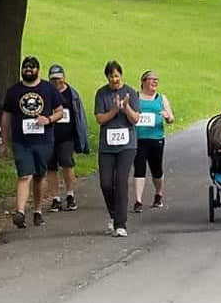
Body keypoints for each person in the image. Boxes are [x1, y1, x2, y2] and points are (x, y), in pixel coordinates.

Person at [1, 56, 65, 228]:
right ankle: (20, 212)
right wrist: (4, 141)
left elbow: (60, 111)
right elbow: (6, 116)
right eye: (25, 68)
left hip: (43, 141)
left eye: (31, 68)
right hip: (21, 141)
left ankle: (37, 210)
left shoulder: (48, 89)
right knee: (24, 175)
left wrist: (49, 119)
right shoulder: (13, 91)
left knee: (38, 177)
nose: (28, 70)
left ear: (38, 69)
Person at [95, 60, 140, 237]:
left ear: (121, 75)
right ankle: (114, 215)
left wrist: (126, 106)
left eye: (116, 75)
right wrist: (114, 109)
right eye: (110, 76)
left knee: (121, 181)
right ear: (106, 77)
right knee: (106, 183)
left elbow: (135, 119)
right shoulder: (101, 93)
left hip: (127, 145)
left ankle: (121, 224)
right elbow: (100, 119)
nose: (114, 79)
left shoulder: (130, 92)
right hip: (107, 146)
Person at [45, 64, 90, 213]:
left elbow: (80, 115)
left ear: (64, 78)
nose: (56, 82)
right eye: (53, 80)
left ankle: (70, 195)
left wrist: (82, 136)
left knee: (66, 162)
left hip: (67, 136)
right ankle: (55, 198)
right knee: (50, 166)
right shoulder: (46, 93)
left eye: (58, 79)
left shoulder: (72, 94)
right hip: (49, 135)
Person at [132, 70, 175, 212]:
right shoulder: (136, 97)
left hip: (156, 138)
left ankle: (158, 193)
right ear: (143, 81)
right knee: (139, 168)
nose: (154, 82)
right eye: (151, 79)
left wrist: (167, 116)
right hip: (139, 138)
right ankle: (138, 200)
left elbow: (171, 119)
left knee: (156, 169)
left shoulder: (161, 98)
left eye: (156, 80)